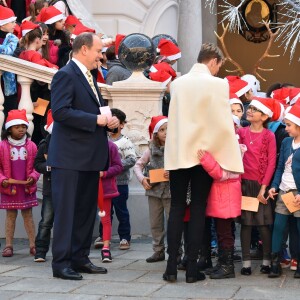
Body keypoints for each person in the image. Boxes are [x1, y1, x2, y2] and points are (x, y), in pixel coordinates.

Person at [163, 43, 244, 283]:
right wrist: (228, 157)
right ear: (213, 61)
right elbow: (221, 123)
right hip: (204, 155)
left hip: (178, 153)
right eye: (219, 65)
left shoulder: (177, 83)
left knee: (177, 208)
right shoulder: (219, 84)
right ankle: (191, 270)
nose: (218, 70)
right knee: (198, 208)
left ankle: (170, 267)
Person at [47, 32, 119, 280]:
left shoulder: (90, 75)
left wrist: (109, 120)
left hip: (89, 157)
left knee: (86, 211)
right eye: (99, 51)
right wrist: (95, 120)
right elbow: (60, 112)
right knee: (67, 212)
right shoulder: (65, 75)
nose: (102, 55)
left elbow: (93, 109)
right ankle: (62, 263)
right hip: (69, 158)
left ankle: (79, 258)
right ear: (84, 49)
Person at [237, 97, 277, 276]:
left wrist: (264, 187)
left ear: (264, 116)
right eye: (250, 108)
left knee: (263, 224)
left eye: (254, 109)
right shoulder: (242, 132)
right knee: (245, 224)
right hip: (244, 184)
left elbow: (271, 163)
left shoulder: (269, 135)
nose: (249, 111)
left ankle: (267, 260)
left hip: (261, 185)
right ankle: (245, 262)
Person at [197, 144, 247, 279]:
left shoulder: (233, 149)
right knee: (221, 231)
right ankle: (222, 263)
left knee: (225, 233)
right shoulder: (231, 147)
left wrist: (206, 159)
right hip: (223, 195)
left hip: (226, 195)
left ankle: (227, 267)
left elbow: (221, 174)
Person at [0, 109, 40, 257]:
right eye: (17, 127)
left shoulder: (32, 146)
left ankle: (33, 244)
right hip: (9, 188)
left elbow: (37, 165)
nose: (21, 130)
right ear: (9, 128)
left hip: (27, 188)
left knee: (28, 215)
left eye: (23, 126)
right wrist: (2, 180)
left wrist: (34, 177)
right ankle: (9, 245)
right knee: (10, 216)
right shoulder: (2, 146)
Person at [268, 104, 300, 278]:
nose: (285, 128)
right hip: (284, 191)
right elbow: (280, 167)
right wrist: (274, 185)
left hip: (298, 193)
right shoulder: (287, 142)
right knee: (278, 226)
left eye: (288, 125)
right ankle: (275, 261)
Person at [134, 116, 171, 263]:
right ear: (156, 133)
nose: (165, 133)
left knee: (173, 222)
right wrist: (142, 179)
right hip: (154, 191)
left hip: (171, 192)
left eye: (168, 129)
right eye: (162, 130)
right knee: (156, 223)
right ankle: (158, 250)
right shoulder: (150, 149)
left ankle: (176, 250)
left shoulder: (176, 149)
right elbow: (138, 165)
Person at [33, 110, 54, 262]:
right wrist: (49, 167)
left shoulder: (72, 143)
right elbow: (37, 164)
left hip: (69, 189)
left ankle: (65, 251)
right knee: (46, 221)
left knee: (67, 221)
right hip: (51, 189)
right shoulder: (45, 143)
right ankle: (40, 251)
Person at [99, 140, 122, 262]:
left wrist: (104, 173)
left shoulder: (111, 146)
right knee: (83, 217)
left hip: (105, 188)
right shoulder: (83, 143)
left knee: (106, 218)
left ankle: (106, 247)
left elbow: (118, 166)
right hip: (86, 187)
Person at [0, 6, 19, 117]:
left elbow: (8, 50)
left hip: (8, 84)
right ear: (2, 24)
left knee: (9, 109)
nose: (15, 25)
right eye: (12, 22)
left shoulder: (12, 38)